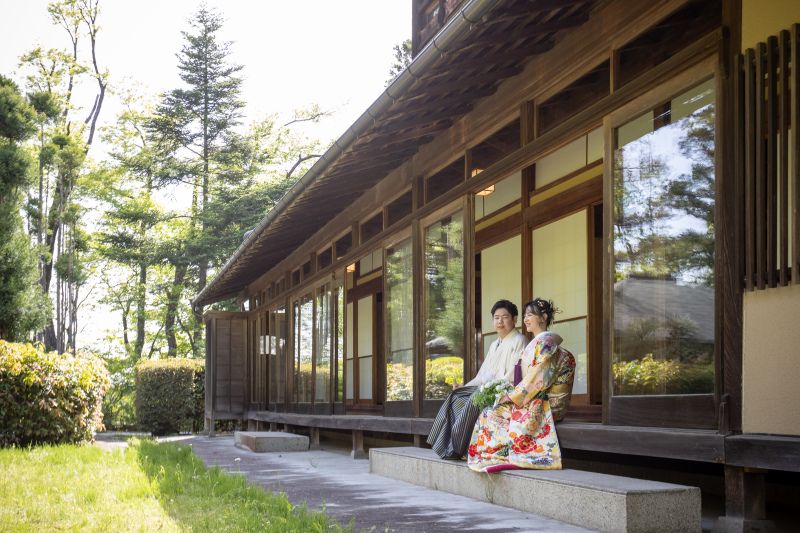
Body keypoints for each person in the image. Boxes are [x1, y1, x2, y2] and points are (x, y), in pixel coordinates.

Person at [467, 298, 575, 472]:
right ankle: (497, 454)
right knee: (490, 412)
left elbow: (537, 379)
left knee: (492, 413)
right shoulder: (536, 343)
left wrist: (510, 397)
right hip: (533, 398)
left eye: (530, 314)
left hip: (547, 404)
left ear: (543, 317)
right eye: (525, 315)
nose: (526, 319)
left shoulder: (547, 343)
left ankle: (505, 454)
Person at [427, 300, 527, 459]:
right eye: (496, 318)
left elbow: (514, 375)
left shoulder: (519, 340)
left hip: (504, 391)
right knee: (457, 397)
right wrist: (463, 386)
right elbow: (482, 375)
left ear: (514, 320)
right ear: (492, 322)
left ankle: (457, 448)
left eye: (505, 317)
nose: (500, 322)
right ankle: (447, 443)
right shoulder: (494, 344)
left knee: (473, 398)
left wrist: (493, 389)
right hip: (488, 389)